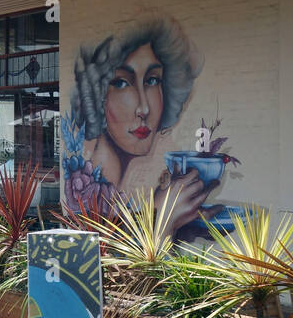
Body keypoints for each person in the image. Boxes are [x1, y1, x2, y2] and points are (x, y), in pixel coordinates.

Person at [64, 16, 222, 239]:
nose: (144, 108)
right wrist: (164, 216)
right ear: (98, 96)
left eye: (152, 80)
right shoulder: (85, 192)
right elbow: (110, 264)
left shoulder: (134, 186)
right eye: (121, 83)